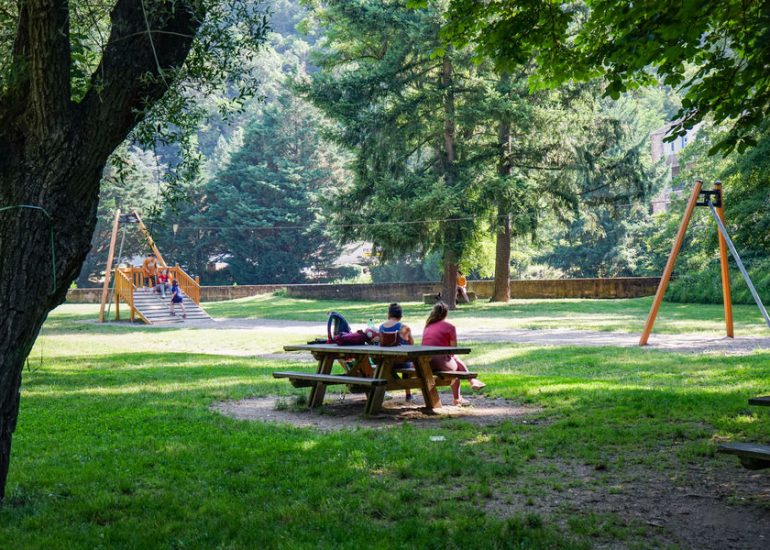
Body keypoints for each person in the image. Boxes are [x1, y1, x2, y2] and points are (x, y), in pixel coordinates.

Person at [422, 301, 485, 406]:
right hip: (440, 363)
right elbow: (453, 349)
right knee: (455, 366)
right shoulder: (450, 327)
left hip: (425, 363)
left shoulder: (428, 326)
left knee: (454, 360)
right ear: (446, 314)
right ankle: (460, 395)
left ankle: (471, 382)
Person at [379, 303, 415, 401]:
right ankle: (408, 395)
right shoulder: (404, 327)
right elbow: (412, 344)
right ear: (400, 315)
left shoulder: (381, 327)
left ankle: (382, 391)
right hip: (402, 362)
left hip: (386, 362)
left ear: (389, 314)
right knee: (409, 362)